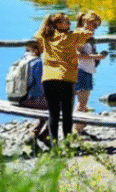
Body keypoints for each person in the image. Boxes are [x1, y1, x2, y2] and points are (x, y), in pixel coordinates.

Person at [34, 12, 94, 143]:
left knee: (53, 114)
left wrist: (47, 20)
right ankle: (67, 144)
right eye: (66, 21)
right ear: (59, 24)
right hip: (66, 79)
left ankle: (55, 145)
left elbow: (37, 35)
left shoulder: (46, 37)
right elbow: (88, 33)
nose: (70, 23)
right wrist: (83, 26)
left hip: (49, 79)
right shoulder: (72, 37)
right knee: (67, 115)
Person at [74, 11, 108, 135]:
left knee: (83, 101)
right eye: (94, 25)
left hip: (86, 70)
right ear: (86, 22)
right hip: (81, 70)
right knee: (82, 102)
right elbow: (76, 54)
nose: (95, 28)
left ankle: (80, 125)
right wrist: (97, 57)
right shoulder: (79, 34)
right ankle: (77, 128)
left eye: (97, 26)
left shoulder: (86, 35)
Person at [18, 40, 49, 147]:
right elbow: (41, 86)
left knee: (48, 105)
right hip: (30, 100)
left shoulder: (22, 60)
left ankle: (34, 133)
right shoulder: (37, 62)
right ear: (36, 49)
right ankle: (42, 134)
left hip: (18, 99)